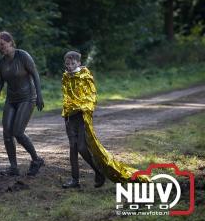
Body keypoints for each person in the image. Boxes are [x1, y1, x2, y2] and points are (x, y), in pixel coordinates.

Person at [61, 51, 149, 188]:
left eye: (73, 63)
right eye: (67, 63)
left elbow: (92, 96)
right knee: (73, 147)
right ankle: (75, 180)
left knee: (83, 148)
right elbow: (67, 96)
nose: (70, 66)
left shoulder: (85, 76)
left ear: (79, 63)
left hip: (82, 115)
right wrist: (67, 110)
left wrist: (81, 107)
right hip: (69, 116)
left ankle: (98, 172)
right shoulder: (65, 77)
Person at [0, 31, 44, 176]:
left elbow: (35, 75)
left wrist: (39, 96)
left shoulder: (23, 56)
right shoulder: (2, 62)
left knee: (18, 132)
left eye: (2, 44)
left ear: (10, 42)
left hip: (27, 97)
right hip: (11, 99)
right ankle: (13, 167)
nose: (0, 47)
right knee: (7, 133)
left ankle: (36, 160)